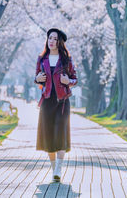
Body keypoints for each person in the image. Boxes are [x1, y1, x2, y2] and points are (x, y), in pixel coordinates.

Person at [34, 28, 78, 182]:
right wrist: (38, 78)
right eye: (49, 38)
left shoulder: (66, 60)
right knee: (48, 136)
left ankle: (58, 168)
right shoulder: (42, 59)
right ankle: (54, 170)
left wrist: (69, 82)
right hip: (47, 101)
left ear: (60, 42)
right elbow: (37, 78)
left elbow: (75, 79)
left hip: (62, 101)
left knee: (60, 133)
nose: (51, 41)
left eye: (55, 38)